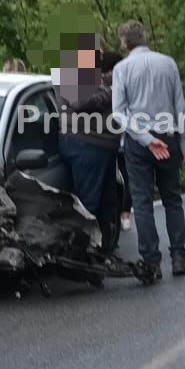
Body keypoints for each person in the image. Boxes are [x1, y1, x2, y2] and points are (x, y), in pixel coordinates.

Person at [111, 20, 185, 283]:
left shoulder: (122, 69)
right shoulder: (168, 63)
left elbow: (119, 113)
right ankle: (179, 256)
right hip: (168, 137)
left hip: (138, 142)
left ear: (125, 43)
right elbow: (180, 107)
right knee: (172, 199)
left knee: (142, 202)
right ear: (145, 38)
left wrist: (145, 138)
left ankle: (151, 261)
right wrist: (184, 143)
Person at [55, 34, 120, 250]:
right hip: (86, 143)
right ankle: (85, 251)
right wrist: (112, 92)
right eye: (97, 52)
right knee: (89, 202)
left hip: (102, 145)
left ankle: (104, 248)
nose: (101, 56)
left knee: (107, 202)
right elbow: (82, 101)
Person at [100, 49, 132, 233]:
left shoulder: (117, 85)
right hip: (113, 139)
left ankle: (123, 213)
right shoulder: (108, 86)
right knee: (121, 179)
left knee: (123, 178)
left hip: (114, 140)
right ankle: (122, 213)